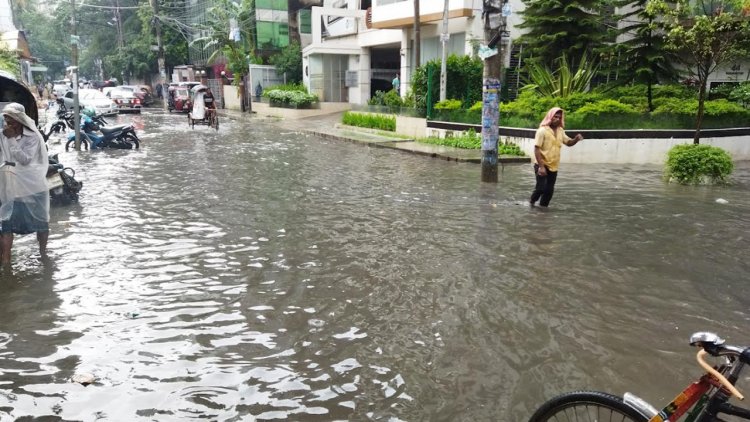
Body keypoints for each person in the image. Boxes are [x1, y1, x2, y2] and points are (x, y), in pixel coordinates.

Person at [0, 103, 50, 264]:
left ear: (20, 120)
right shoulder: (2, 135)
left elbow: (25, 160)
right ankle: (6, 260)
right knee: (7, 222)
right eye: (6, 120)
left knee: (41, 222)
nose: (9, 124)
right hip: (11, 185)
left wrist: (12, 139)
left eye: (12, 120)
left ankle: (43, 253)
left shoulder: (32, 137)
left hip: (32, 184)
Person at [529, 107, 583, 208]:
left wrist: (576, 139)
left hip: (554, 165)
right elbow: (537, 149)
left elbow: (568, 142)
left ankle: (542, 211)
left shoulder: (560, 131)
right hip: (542, 163)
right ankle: (531, 202)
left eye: (559, 117)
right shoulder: (542, 131)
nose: (557, 119)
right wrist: (541, 167)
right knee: (541, 188)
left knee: (549, 191)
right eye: (555, 116)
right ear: (550, 117)